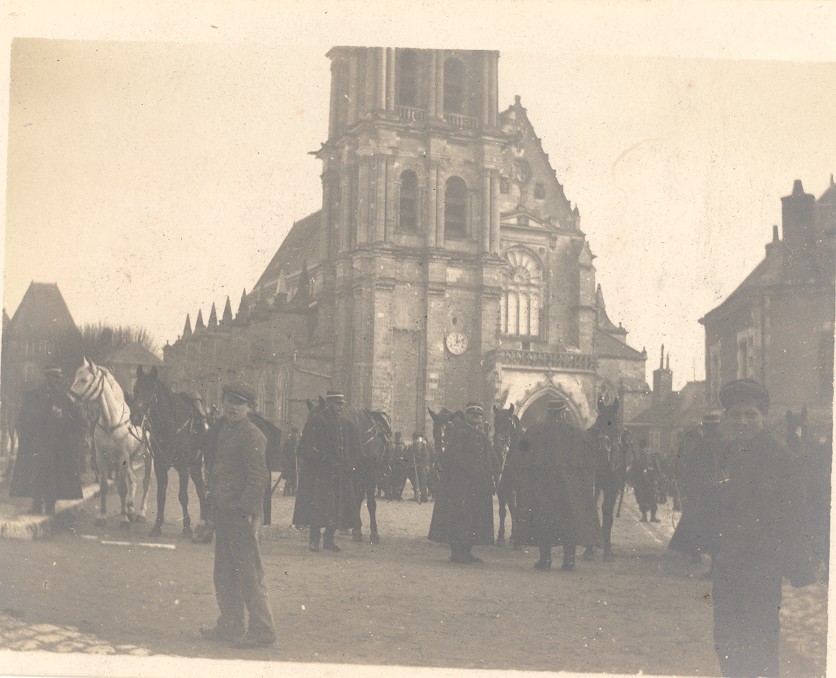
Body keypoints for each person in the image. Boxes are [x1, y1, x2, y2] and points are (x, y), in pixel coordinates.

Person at [710, 379, 816, 677]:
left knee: (760, 642)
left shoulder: (780, 458)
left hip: (762, 566)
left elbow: (795, 514)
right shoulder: (727, 454)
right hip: (728, 565)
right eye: (736, 414)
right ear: (728, 417)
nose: (743, 421)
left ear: (763, 417)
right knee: (726, 639)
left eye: (750, 414)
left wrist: (799, 567)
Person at [200, 382, 276, 647]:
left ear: (249, 408)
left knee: (249, 573)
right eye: (228, 401)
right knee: (224, 572)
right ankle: (231, 625)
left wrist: (245, 510)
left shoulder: (252, 435)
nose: (232, 407)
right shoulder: (226, 431)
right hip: (224, 511)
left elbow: (259, 478)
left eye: (239, 403)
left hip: (240, 514)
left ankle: (262, 630)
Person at [518, 397, 602, 571]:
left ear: (549, 413)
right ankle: (569, 560)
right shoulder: (576, 433)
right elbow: (589, 460)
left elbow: (521, 455)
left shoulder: (535, 431)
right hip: (568, 488)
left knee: (543, 520)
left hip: (543, 487)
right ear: (564, 414)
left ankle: (545, 559)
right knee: (569, 521)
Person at [292, 390, 362, 552]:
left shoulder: (343, 422)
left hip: (338, 473)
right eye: (337, 404)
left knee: (337, 508)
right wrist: (326, 460)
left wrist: (348, 463)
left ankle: (329, 540)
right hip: (320, 473)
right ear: (329, 404)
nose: (340, 407)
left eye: (341, 405)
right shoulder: (318, 420)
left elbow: (349, 446)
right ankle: (314, 540)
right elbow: (309, 447)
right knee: (317, 507)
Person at [428, 402, 497, 564]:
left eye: (479, 416)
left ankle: (467, 551)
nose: (477, 418)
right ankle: (457, 552)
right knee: (459, 517)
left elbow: (488, 455)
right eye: (473, 415)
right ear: (467, 416)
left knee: (473, 517)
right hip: (460, 485)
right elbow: (454, 458)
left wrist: (492, 472)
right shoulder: (459, 433)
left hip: (477, 485)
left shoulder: (480, 434)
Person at [11, 366, 83, 515]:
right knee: (37, 473)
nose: (58, 382)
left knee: (53, 475)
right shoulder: (33, 396)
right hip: (38, 442)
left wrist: (62, 416)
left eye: (59, 379)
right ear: (48, 378)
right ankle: (37, 505)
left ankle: (50, 506)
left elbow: (77, 421)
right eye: (56, 379)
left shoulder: (63, 398)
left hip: (56, 444)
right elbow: (24, 419)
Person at [669, 412, 723, 567]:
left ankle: (698, 554)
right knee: (713, 525)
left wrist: (687, 485)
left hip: (703, 491)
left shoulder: (701, 445)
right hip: (717, 490)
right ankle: (709, 561)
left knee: (699, 522)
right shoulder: (723, 442)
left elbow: (690, 466)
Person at [631, 442, 660, 523]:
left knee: (653, 499)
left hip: (650, 482)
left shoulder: (652, 457)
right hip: (641, 483)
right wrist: (634, 481)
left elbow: (657, 469)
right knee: (642, 499)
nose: (643, 450)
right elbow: (633, 470)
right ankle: (644, 517)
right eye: (642, 448)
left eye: (645, 448)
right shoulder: (637, 458)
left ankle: (653, 517)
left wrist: (654, 478)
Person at [405, 431, 430, 503]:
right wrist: (411, 462)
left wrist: (419, 459)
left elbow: (426, 456)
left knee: (423, 479)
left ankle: (424, 496)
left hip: (421, 465)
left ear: (418, 438)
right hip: (413, 466)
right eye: (414, 438)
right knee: (414, 479)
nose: (415, 440)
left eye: (416, 439)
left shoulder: (423, 446)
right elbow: (408, 456)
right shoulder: (411, 446)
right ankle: (416, 495)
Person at [281, 426, 299, 496]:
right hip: (289, 462)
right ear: (291, 433)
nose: (294, 434)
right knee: (289, 476)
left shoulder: (298, 441)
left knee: (295, 476)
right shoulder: (288, 441)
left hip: (296, 462)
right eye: (293, 433)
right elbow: (284, 453)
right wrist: (285, 462)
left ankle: (294, 490)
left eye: (296, 433)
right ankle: (288, 489)